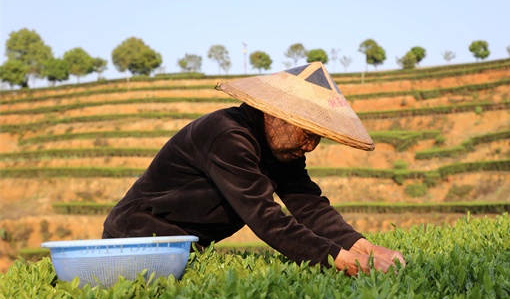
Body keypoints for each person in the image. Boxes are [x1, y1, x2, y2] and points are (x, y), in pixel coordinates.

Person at [102, 62, 405, 275]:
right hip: (137, 240)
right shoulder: (228, 136)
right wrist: (337, 258)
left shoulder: (281, 151)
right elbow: (265, 217)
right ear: (277, 115)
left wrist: (361, 245)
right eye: (307, 132)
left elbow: (310, 205)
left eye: (319, 137)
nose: (311, 145)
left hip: (183, 249)